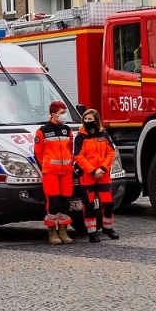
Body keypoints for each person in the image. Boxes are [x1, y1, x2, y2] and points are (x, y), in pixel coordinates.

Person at [33, 100, 75, 244]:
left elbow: (71, 149)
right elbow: (38, 153)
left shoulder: (67, 130)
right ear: (53, 114)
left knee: (65, 201)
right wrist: (45, 167)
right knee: (53, 202)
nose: (64, 115)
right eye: (62, 113)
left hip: (66, 172)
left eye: (65, 112)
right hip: (50, 172)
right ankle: (52, 232)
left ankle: (63, 230)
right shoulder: (43, 131)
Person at [73, 109, 119, 242]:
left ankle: (107, 227)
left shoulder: (104, 134)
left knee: (109, 204)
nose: (87, 121)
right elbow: (79, 157)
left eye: (90, 119)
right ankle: (92, 232)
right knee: (89, 206)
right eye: (85, 119)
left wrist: (103, 168)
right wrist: (93, 171)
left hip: (103, 175)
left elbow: (111, 152)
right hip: (87, 176)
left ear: (96, 120)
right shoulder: (80, 137)